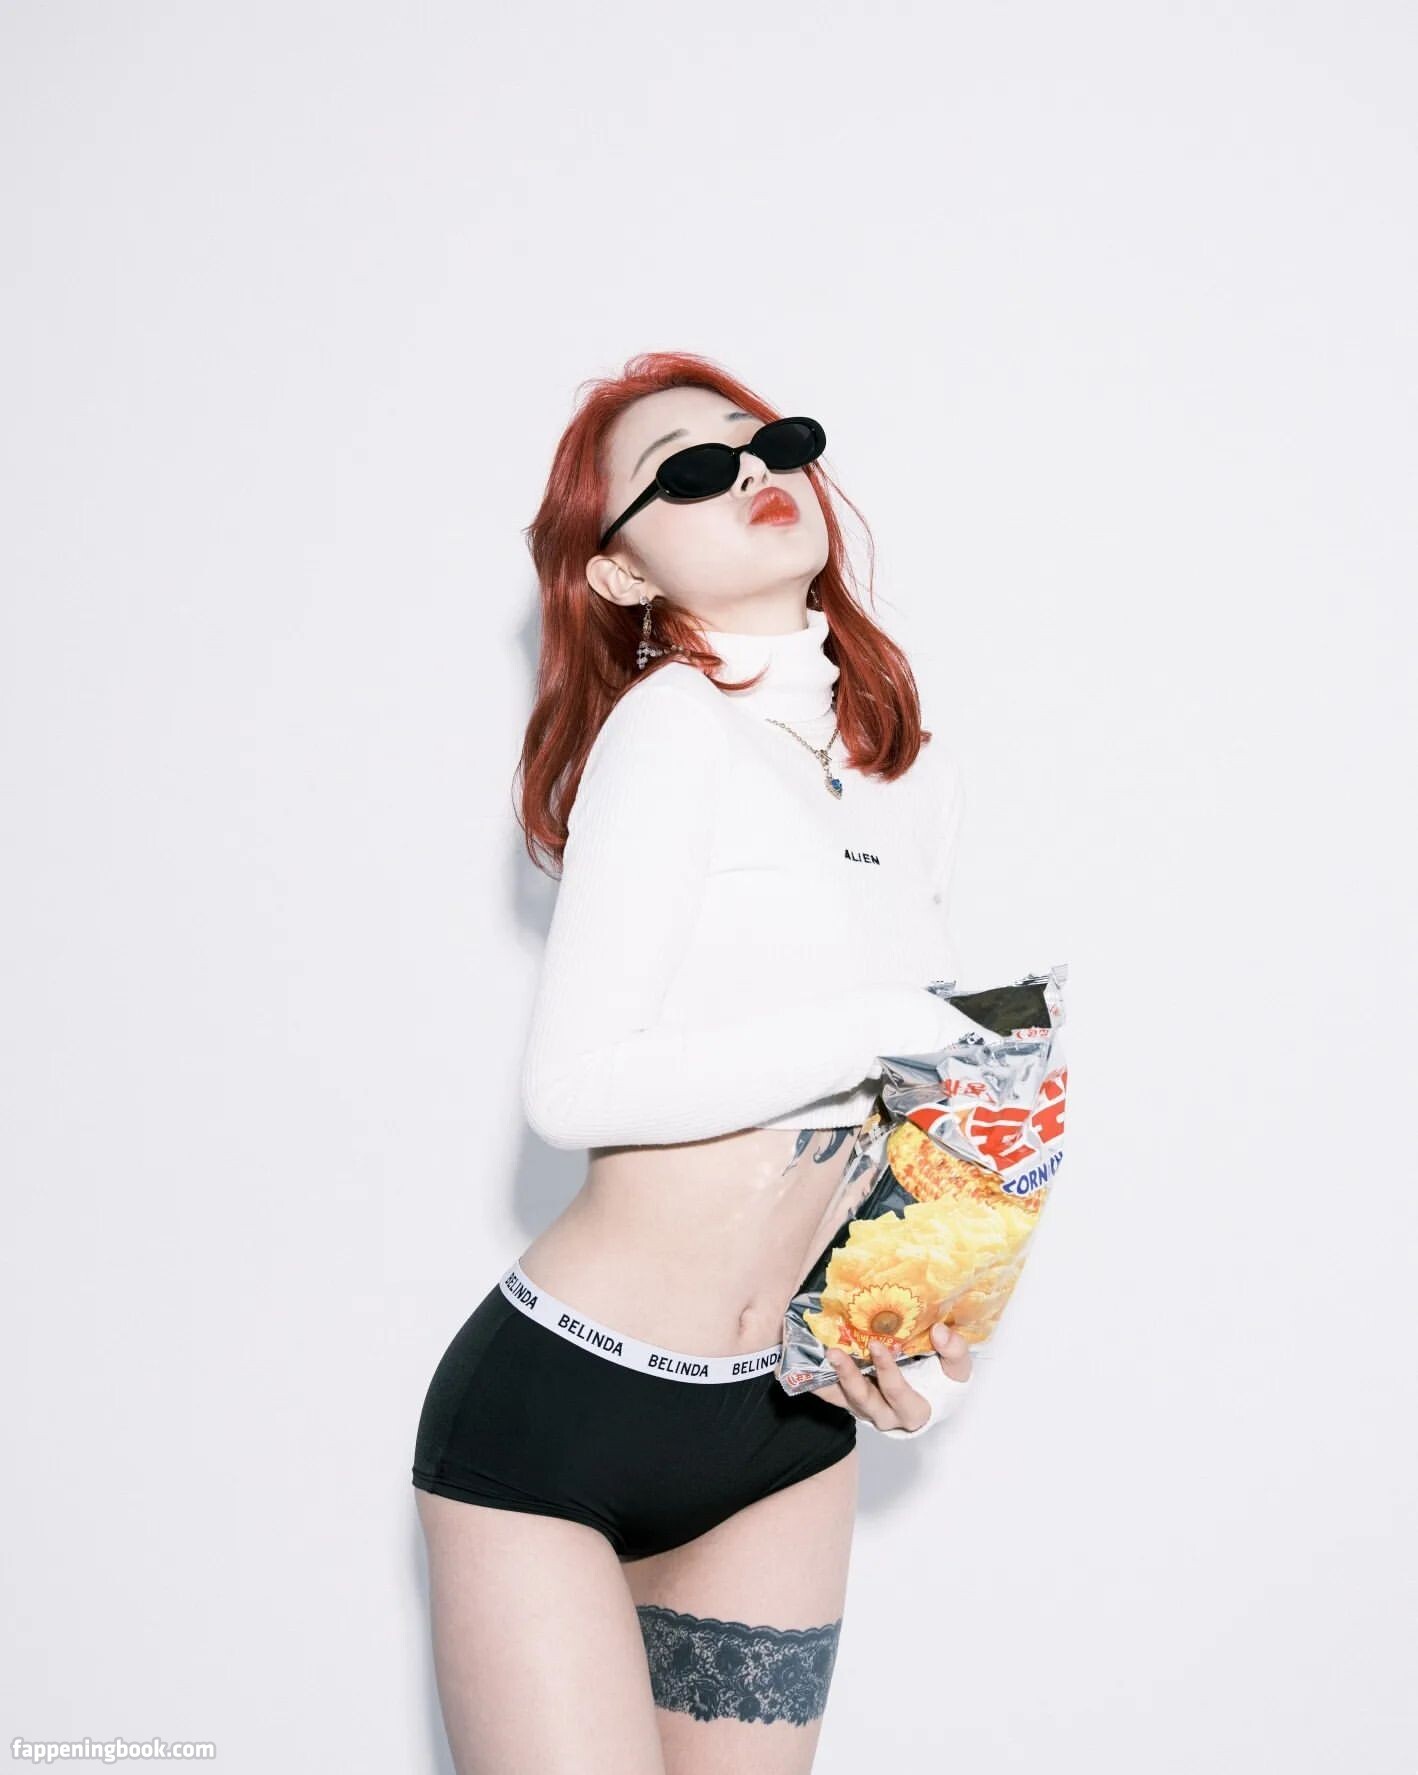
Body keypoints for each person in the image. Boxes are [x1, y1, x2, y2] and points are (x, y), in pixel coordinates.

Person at [411, 352, 983, 1775]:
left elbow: (915, 1091)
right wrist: (886, 1023)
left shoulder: (904, 768)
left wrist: (913, 1320)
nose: (752, 475)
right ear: (616, 573)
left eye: (769, 442)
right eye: (688, 471)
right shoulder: (669, 731)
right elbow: (575, 1089)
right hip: (566, 1415)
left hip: (784, 1423)